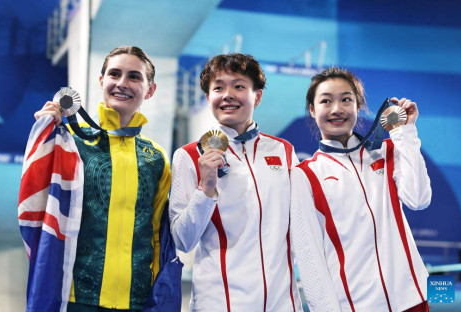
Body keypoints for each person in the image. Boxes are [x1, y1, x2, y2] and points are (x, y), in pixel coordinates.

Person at [34, 46, 173, 311]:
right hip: (75, 297)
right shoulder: (70, 142)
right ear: (101, 81)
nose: (122, 83)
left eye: (134, 76)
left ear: (150, 89)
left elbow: (156, 235)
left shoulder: (156, 158)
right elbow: (39, 208)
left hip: (136, 300)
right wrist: (42, 139)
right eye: (114, 74)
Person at [290, 67, 431, 311]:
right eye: (326, 101)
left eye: (346, 99)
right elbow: (309, 256)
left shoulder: (387, 151)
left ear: (358, 106)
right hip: (356, 306)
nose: (337, 109)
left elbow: (418, 200)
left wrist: (406, 131)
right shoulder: (305, 175)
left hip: (412, 300)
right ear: (312, 110)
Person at [169, 53, 302, 311]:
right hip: (220, 303)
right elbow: (182, 240)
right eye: (218, 87)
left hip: (282, 303)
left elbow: (301, 224)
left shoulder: (284, 151)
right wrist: (205, 189)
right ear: (208, 98)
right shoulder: (187, 156)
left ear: (258, 96)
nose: (228, 94)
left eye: (239, 86)